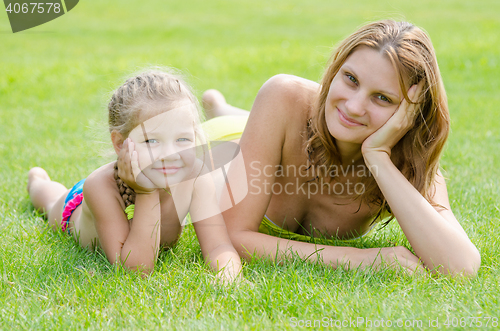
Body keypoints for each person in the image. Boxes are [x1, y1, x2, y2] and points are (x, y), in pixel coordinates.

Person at [202, 20, 480, 277]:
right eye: (351, 79)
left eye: (382, 98)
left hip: (290, 130)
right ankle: (221, 110)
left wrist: (378, 158)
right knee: (236, 131)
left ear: (410, 114)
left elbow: (461, 266)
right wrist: (357, 258)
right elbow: (230, 237)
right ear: (335, 70)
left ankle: (224, 107)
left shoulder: (407, 161)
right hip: (229, 145)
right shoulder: (284, 96)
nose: (354, 106)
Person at [27, 70, 242, 281]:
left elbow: (218, 246)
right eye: (151, 141)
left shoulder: (195, 176)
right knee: (50, 199)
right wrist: (146, 192)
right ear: (120, 144)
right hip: (76, 205)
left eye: (183, 139)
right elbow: (136, 269)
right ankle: (38, 180)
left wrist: (228, 277)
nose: (169, 155)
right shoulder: (100, 187)